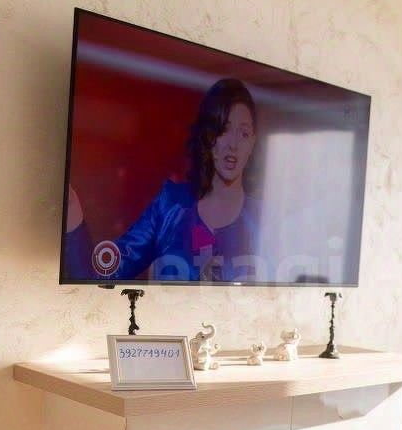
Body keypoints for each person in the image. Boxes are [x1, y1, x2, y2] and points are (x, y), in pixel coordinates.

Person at [64, 78, 260, 282]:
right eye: (224, 130)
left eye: (244, 133)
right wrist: (71, 207)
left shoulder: (264, 220)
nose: (233, 145)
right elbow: (100, 275)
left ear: (253, 142)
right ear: (208, 136)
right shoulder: (170, 206)